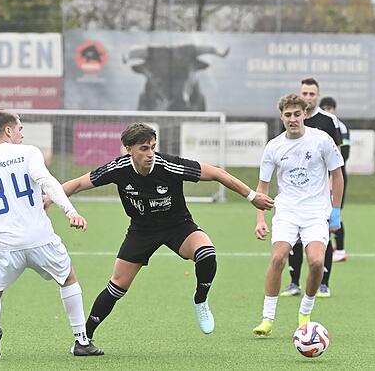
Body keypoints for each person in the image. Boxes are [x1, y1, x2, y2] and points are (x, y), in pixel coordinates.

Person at [47, 122, 273, 343]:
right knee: (117, 286)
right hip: (141, 231)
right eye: (144, 148)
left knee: (206, 253)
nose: (150, 154)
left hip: (178, 226)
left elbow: (217, 173)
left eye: (153, 147)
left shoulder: (169, 165)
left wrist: (252, 196)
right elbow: (76, 184)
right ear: (129, 149)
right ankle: (85, 338)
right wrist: (49, 198)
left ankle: (200, 300)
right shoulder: (118, 168)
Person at [0, 111, 104, 360]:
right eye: (19, 128)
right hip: (40, 238)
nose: (22, 133)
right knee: (68, 279)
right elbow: (46, 181)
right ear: (8, 130)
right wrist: (70, 211)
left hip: (5, 244)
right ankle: (81, 340)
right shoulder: (28, 152)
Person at [252, 94, 344, 337]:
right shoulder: (274, 147)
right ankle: (267, 319)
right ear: (281, 117)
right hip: (287, 212)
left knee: (316, 263)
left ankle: (305, 312)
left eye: (297, 114)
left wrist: (335, 212)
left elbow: (337, 175)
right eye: (288, 115)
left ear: (305, 114)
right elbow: (262, 188)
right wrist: (260, 219)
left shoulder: (321, 140)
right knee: (278, 258)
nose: (292, 119)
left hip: (315, 213)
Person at [280, 78, 343, 298]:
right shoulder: (291, 117)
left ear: (317, 95)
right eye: (304, 93)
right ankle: (294, 282)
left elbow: (336, 159)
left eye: (311, 94)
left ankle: (323, 283)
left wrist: (334, 199)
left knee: (321, 237)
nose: (308, 97)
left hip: (321, 192)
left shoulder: (328, 121)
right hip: (296, 193)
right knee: (293, 237)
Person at [319, 96, 350, 262]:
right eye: (324, 108)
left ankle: (341, 248)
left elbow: (344, 154)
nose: (327, 111)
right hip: (320, 177)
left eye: (329, 108)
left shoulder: (340, 127)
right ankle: (326, 246)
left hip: (335, 175)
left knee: (335, 213)